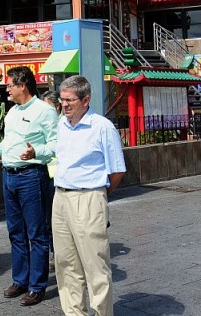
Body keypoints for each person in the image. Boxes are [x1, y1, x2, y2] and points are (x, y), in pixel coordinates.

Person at [0, 66, 58, 306]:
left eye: (10, 85)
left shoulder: (44, 111)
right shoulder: (11, 113)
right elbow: (8, 144)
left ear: (23, 85)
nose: (6, 88)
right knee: (15, 232)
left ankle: (37, 286)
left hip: (32, 176)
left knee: (37, 234)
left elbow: (56, 144)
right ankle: (20, 280)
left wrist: (36, 152)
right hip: (8, 176)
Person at [52, 75, 126, 316]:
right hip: (61, 197)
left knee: (95, 265)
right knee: (66, 264)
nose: (64, 105)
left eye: (69, 100)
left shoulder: (102, 127)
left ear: (86, 100)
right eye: (62, 100)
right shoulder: (62, 125)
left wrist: (98, 194)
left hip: (89, 198)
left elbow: (117, 170)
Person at [41, 89, 62, 269]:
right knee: (47, 219)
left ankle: (59, 252)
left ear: (57, 106)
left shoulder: (64, 123)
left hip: (59, 178)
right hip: (45, 176)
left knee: (57, 219)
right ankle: (52, 251)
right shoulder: (44, 124)